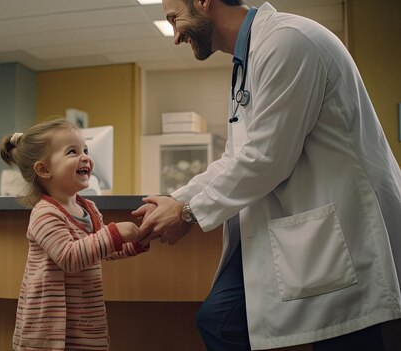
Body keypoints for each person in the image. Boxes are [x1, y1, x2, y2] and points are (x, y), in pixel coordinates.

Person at [133, 0, 401, 350]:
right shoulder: (249, 60)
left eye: (174, 19)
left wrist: (188, 212)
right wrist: (179, 198)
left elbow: (267, 158)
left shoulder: (287, 42)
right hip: (311, 231)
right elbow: (237, 157)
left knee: (340, 337)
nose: (174, 35)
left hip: (345, 229)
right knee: (219, 321)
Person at [0, 118, 148, 350]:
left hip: (84, 320)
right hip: (49, 329)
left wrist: (137, 240)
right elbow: (70, 257)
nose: (86, 157)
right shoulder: (44, 213)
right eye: (72, 151)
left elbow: (101, 250)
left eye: (86, 150)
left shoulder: (89, 209)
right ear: (44, 169)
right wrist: (114, 233)